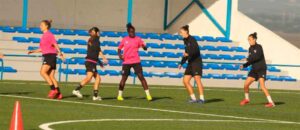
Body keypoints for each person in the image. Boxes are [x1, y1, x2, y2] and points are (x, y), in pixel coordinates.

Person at [28, 20, 65, 99]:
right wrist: (33, 51)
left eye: (41, 25)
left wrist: (60, 53)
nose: (40, 26)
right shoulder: (44, 35)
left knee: (42, 72)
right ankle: (59, 94)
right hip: (50, 56)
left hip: (50, 56)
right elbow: (43, 48)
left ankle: (53, 90)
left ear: (46, 26)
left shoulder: (49, 34)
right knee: (51, 76)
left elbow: (55, 44)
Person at [117, 23, 152, 101]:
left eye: (133, 32)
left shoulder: (138, 39)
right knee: (124, 79)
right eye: (131, 32)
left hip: (136, 61)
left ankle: (148, 95)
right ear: (128, 32)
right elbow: (119, 48)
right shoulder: (125, 39)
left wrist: (144, 47)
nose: (132, 33)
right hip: (126, 62)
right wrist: (119, 55)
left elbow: (144, 47)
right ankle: (119, 95)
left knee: (141, 77)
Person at [240, 32, 275, 108]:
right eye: (248, 40)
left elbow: (257, 57)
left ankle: (271, 102)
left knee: (262, 86)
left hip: (261, 69)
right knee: (246, 85)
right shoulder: (250, 49)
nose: (249, 41)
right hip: (254, 70)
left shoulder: (259, 47)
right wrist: (244, 65)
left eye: (250, 39)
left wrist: (247, 59)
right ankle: (247, 99)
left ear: (254, 39)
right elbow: (251, 60)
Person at [72, 27, 108, 101]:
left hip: (91, 61)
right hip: (91, 62)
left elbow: (94, 52)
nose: (99, 33)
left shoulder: (91, 39)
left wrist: (99, 62)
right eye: (98, 32)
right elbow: (98, 50)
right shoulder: (96, 40)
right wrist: (103, 58)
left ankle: (95, 96)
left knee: (98, 78)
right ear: (96, 32)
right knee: (89, 78)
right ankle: (76, 90)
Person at [178, 25, 205, 103]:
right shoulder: (185, 40)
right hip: (190, 63)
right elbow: (186, 53)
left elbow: (196, 51)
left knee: (197, 80)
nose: (180, 33)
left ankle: (202, 98)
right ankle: (193, 98)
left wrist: (188, 54)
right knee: (185, 81)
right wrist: (181, 63)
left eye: (181, 32)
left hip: (196, 62)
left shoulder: (192, 39)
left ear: (186, 31)